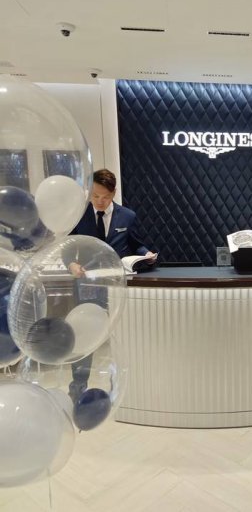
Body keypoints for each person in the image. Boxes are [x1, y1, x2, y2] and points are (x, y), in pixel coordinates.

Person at [67, 168, 158, 403]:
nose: (99, 201)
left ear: (114, 193)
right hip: (87, 284)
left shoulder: (127, 216)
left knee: (122, 335)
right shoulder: (79, 214)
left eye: (105, 197)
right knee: (85, 335)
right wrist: (72, 264)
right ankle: (78, 386)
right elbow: (68, 247)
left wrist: (146, 253)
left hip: (118, 286)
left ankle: (120, 387)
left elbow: (136, 244)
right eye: (95, 195)